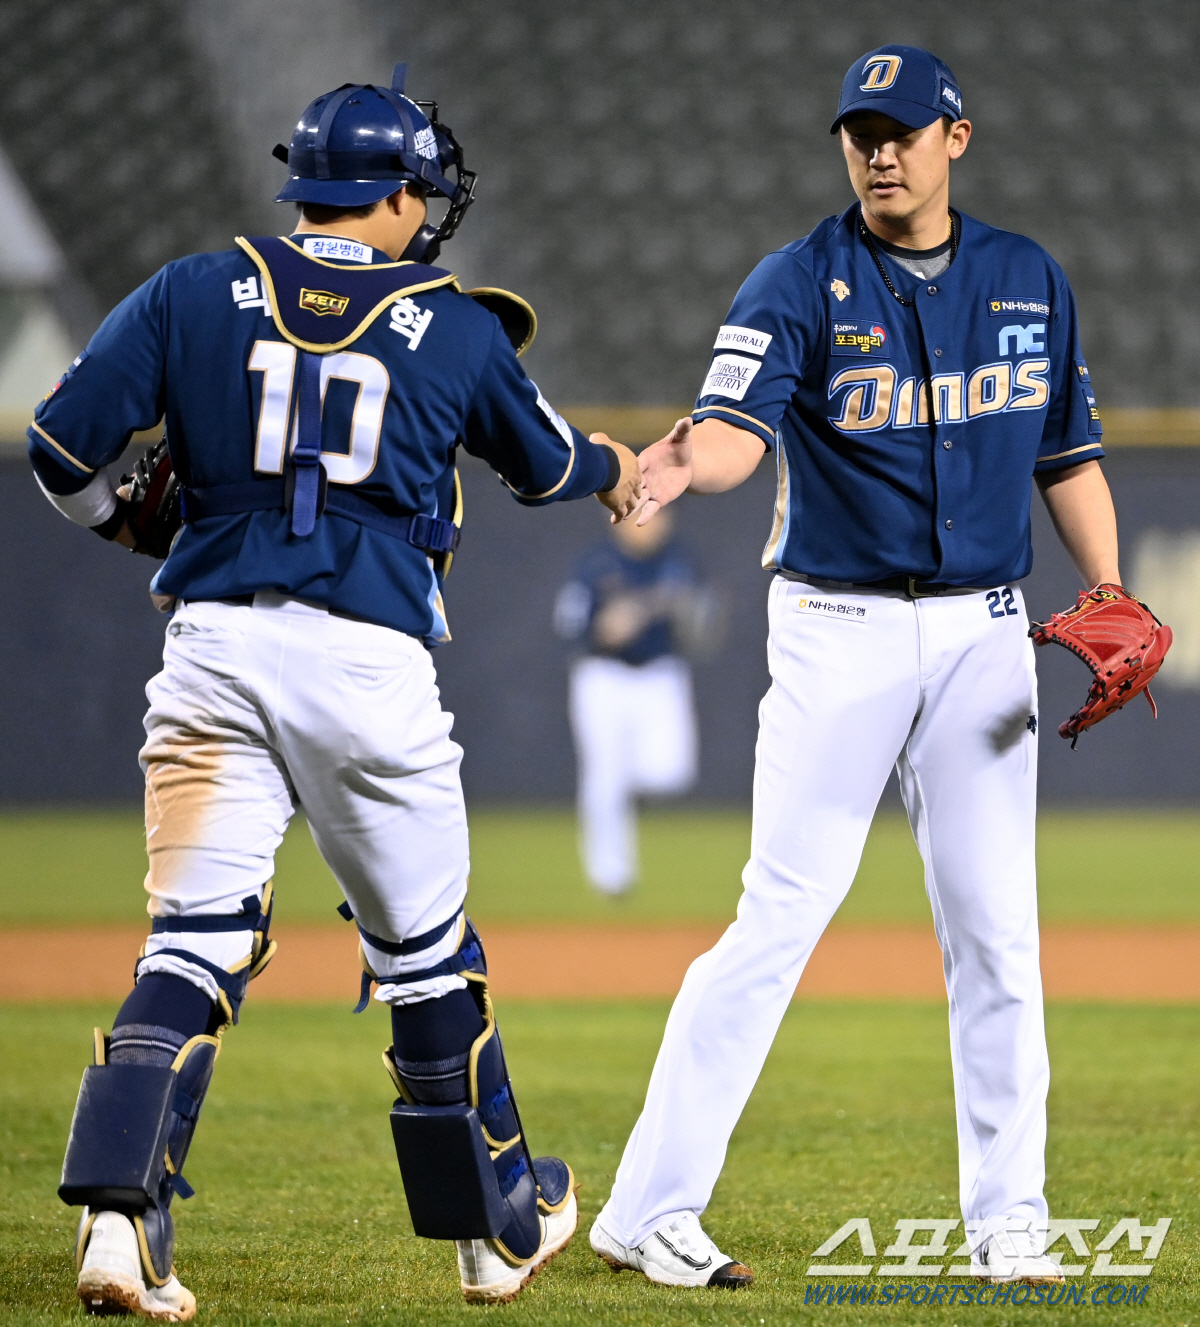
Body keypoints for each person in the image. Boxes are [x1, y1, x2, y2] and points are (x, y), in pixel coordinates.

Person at [34, 66, 642, 1317]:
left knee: (190, 944)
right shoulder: (457, 321)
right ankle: (496, 1228)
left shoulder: (195, 288)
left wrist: (117, 527)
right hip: (366, 664)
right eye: (423, 188)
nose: (431, 207)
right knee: (425, 959)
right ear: (396, 194)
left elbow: (57, 448)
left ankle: (118, 1218)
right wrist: (622, 467)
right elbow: (547, 461)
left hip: (209, 651)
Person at [589, 45, 1132, 1289]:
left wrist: (1105, 588)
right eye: (859, 132)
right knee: (778, 915)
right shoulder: (797, 280)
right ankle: (647, 1206)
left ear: (957, 136)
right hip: (840, 630)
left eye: (901, 129)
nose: (878, 151)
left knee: (998, 934)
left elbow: (1071, 455)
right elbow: (730, 431)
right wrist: (673, 466)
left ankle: (1011, 1222)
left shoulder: (1027, 277)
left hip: (990, 632)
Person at [554, 509, 710, 894]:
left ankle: (627, 792)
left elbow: (704, 619)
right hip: (603, 676)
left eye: (660, 515)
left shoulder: (679, 561)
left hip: (660, 674)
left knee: (670, 772)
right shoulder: (596, 564)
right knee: (602, 777)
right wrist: (602, 629)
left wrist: (693, 623)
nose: (657, 523)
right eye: (646, 516)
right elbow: (567, 623)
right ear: (622, 522)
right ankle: (611, 876)